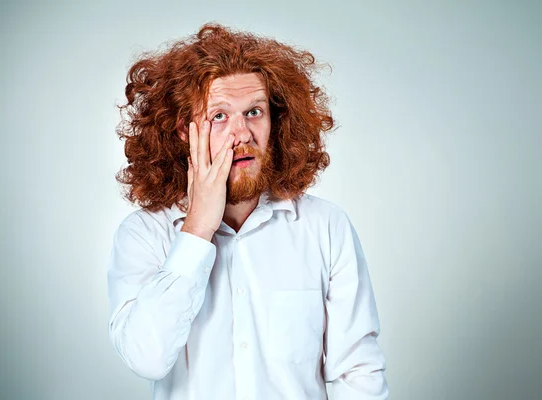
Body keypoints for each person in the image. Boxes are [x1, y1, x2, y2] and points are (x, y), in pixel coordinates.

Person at [107, 23, 389, 399]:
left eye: (254, 112)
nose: (241, 134)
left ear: (274, 123)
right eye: (219, 116)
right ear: (182, 131)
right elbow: (147, 358)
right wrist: (196, 231)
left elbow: (358, 373)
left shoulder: (325, 227)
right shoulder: (144, 234)